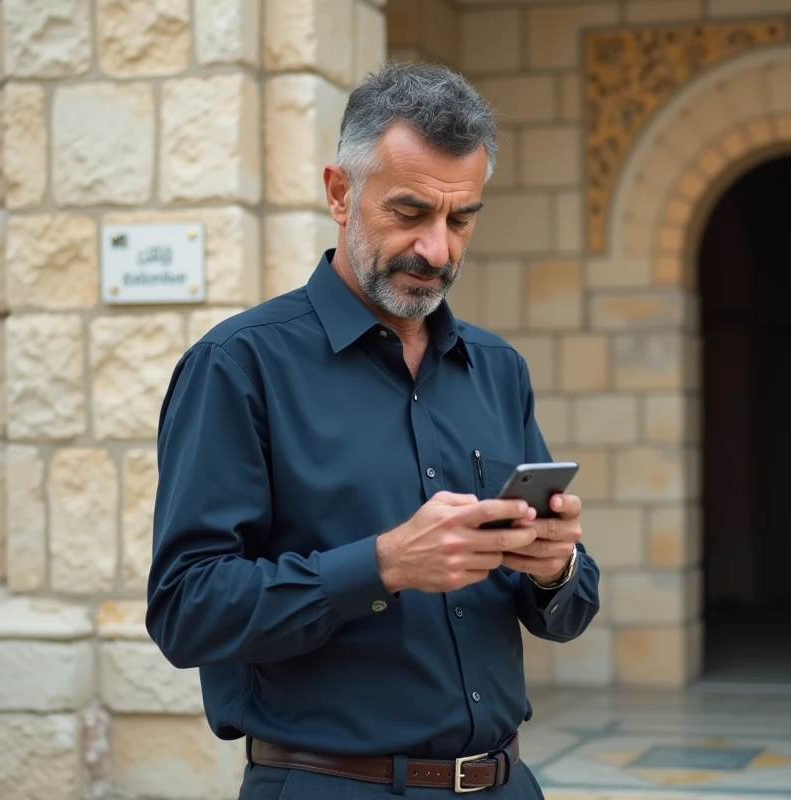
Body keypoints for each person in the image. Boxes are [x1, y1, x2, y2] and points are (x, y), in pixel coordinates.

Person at [145, 60, 601, 799]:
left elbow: (569, 614)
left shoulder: (498, 368)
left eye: (461, 220)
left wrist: (555, 569)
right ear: (339, 193)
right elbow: (185, 610)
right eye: (411, 212)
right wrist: (383, 565)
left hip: (508, 783)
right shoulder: (238, 366)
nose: (438, 251)